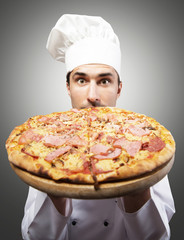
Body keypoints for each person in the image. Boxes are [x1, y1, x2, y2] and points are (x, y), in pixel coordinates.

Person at [21, 14, 175, 240]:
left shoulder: (147, 144)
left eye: (104, 81)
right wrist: (57, 187)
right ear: (68, 87)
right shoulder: (44, 149)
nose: (92, 96)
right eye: (81, 80)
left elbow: (157, 238)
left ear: (119, 88)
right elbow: (34, 237)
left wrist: (138, 184)